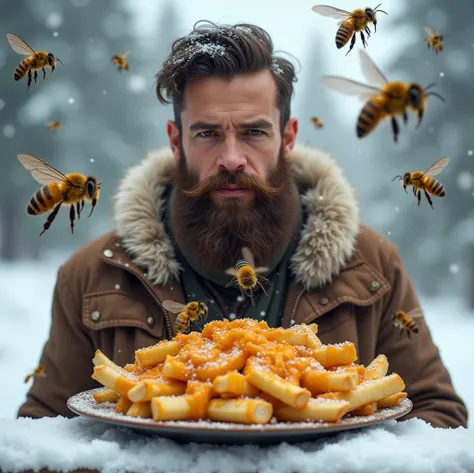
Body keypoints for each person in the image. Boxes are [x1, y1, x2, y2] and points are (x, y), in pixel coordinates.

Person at [17, 21, 467, 428]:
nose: (231, 159)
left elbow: (439, 415)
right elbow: (43, 431)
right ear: (177, 141)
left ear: (287, 138)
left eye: (253, 132)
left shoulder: (373, 267)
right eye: (208, 133)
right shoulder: (92, 276)